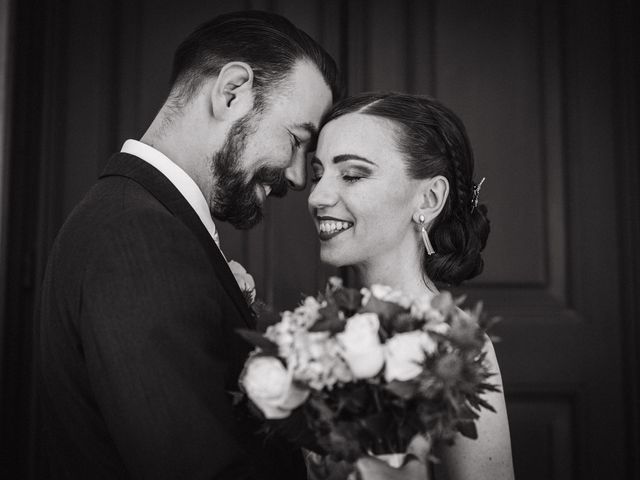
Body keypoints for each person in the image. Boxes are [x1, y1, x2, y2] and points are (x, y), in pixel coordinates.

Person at [38, 10, 340, 479]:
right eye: (297, 139)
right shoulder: (139, 236)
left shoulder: (134, 214)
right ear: (231, 91)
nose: (300, 177)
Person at [308, 92, 515, 480]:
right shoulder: (316, 330)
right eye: (318, 174)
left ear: (429, 197)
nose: (317, 196)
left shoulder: (452, 349)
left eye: (352, 175)